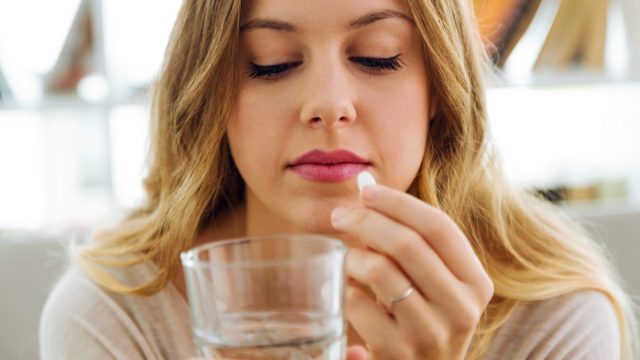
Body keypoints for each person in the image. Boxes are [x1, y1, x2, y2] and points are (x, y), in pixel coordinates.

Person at [40, 0, 638, 359]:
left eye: (377, 56)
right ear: (213, 91)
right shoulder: (116, 314)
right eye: (270, 63)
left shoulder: (552, 317)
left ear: (439, 89)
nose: (329, 106)